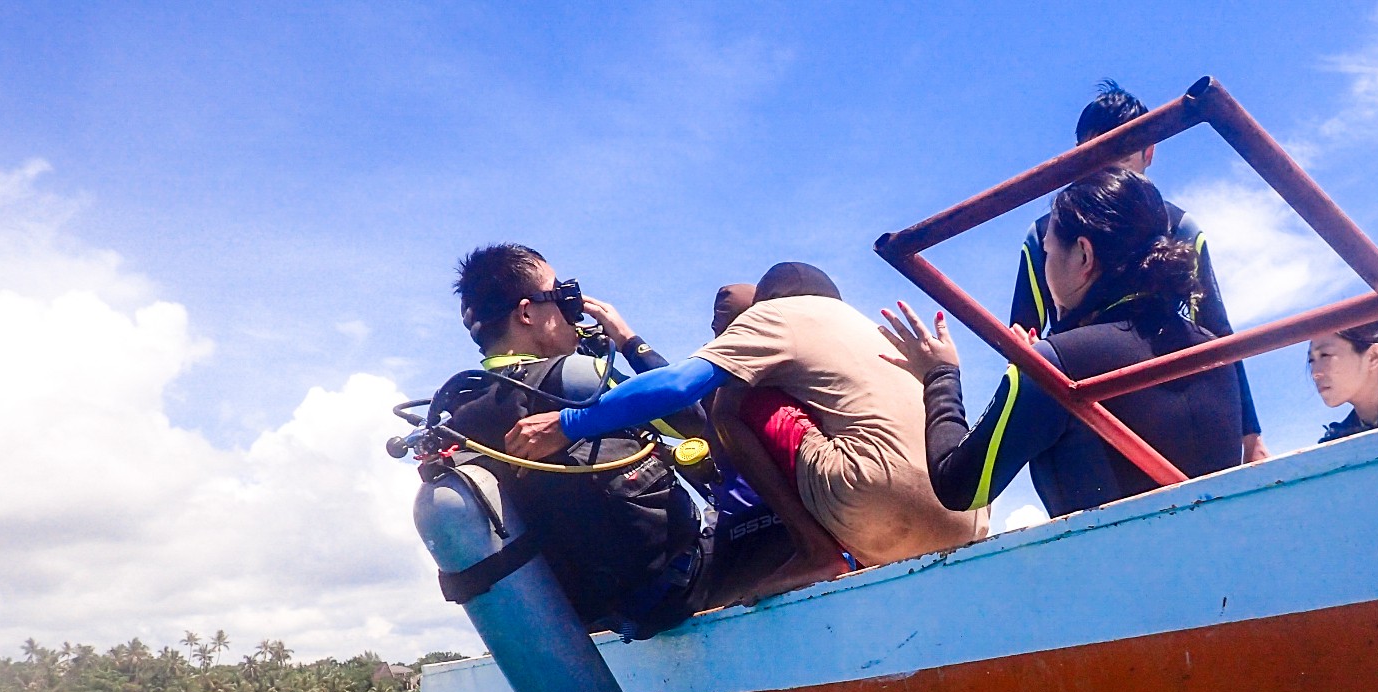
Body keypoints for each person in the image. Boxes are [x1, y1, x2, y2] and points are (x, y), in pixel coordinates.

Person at [507, 262, 985, 597]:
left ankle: (817, 553)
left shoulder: (775, 318)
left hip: (863, 505)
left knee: (734, 399)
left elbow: (680, 391)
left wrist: (571, 422)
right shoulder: (863, 331)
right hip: (965, 514)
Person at [883, 168, 1242, 517]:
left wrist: (941, 375)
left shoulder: (1057, 364)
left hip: (1113, 572)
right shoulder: (1215, 353)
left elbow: (959, 485)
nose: (1046, 266)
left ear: (1084, 255)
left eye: (1050, 253)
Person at [438, 243, 710, 637]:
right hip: (678, 586)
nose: (574, 313)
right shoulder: (577, 376)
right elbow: (690, 420)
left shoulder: (462, 415)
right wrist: (629, 340)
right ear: (527, 313)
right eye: (563, 299)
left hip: (591, 616)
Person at [1011, 80, 1268, 464]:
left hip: (1165, 397)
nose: (1105, 171)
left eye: (1119, 155)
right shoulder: (1047, 235)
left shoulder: (1180, 227)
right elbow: (1021, 336)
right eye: (1092, 155)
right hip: (1085, 401)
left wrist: (1251, 438)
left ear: (1149, 152)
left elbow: (1217, 333)